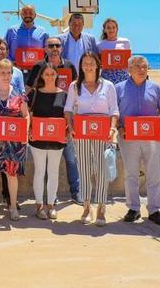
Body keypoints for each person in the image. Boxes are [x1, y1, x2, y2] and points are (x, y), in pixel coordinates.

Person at [65, 52, 119, 227]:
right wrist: (71, 126)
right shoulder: (75, 86)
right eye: (85, 63)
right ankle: (87, 207)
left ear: (97, 65)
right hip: (81, 134)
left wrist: (112, 128)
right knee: (85, 171)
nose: (88, 66)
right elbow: (67, 109)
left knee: (102, 171)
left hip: (103, 134)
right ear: (81, 66)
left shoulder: (108, 86)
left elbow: (114, 110)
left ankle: (102, 208)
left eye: (91, 63)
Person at [116, 55, 160, 227]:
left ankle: (154, 210)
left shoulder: (156, 88)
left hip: (152, 138)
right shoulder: (119, 88)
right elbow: (113, 112)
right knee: (131, 174)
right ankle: (133, 208)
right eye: (138, 66)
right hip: (128, 138)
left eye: (145, 67)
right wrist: (120, 128)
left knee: (153, 174)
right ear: (129, 69)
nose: (142, 69)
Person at [25, 36, 80, 203]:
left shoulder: (70, 65)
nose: (54, 48)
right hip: (41, 129)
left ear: (61, 48)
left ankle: (76, 191)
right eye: (51, 45)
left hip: (62, 126)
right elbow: (28, 90)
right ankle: (50, 198)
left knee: (71, 159)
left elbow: (77, 88)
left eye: (57, 45)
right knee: (43, 168)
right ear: (45, 48)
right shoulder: (37, 66)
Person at [0, 59, 29, 221]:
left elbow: (26, 115)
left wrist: (25, 135)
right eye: (3, 73)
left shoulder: (19, 96)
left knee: (12, 175)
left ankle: (13, 208)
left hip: (14, 143)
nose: (6, 76)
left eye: (9, 73)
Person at [27, 63, 67, 219]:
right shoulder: (34, 93)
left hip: (57, 140)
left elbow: (68, 116)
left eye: (53, 74)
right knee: (39, 171)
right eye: (47, 74)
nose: (50, 76)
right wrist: (29, 130)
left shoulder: (64, 94)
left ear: (57, 75)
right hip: (37, 139)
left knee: (53, 172)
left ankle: (51, 205)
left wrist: (67, 132)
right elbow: (28, 113)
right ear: (42, 76)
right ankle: (39, 206)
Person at [4, 4, 48, 73]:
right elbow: (5, 49)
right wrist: (11, 63)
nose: (28, 15)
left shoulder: (43, 32)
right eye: (25, 13)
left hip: (37, 72)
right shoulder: (11, 30)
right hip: (15, 70)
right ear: (21, 15)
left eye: (30, 13)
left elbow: (47, 51)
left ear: (35, 15)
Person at [98, 17, 132, 84]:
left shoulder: (125, 42)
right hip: (106, 77)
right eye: (108, 28)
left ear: (117, 29)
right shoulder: (99, 44)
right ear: (104, 30)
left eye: (113, 27)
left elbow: (130, 60)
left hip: (123, 76)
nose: (111, 30)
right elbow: (98, 62)